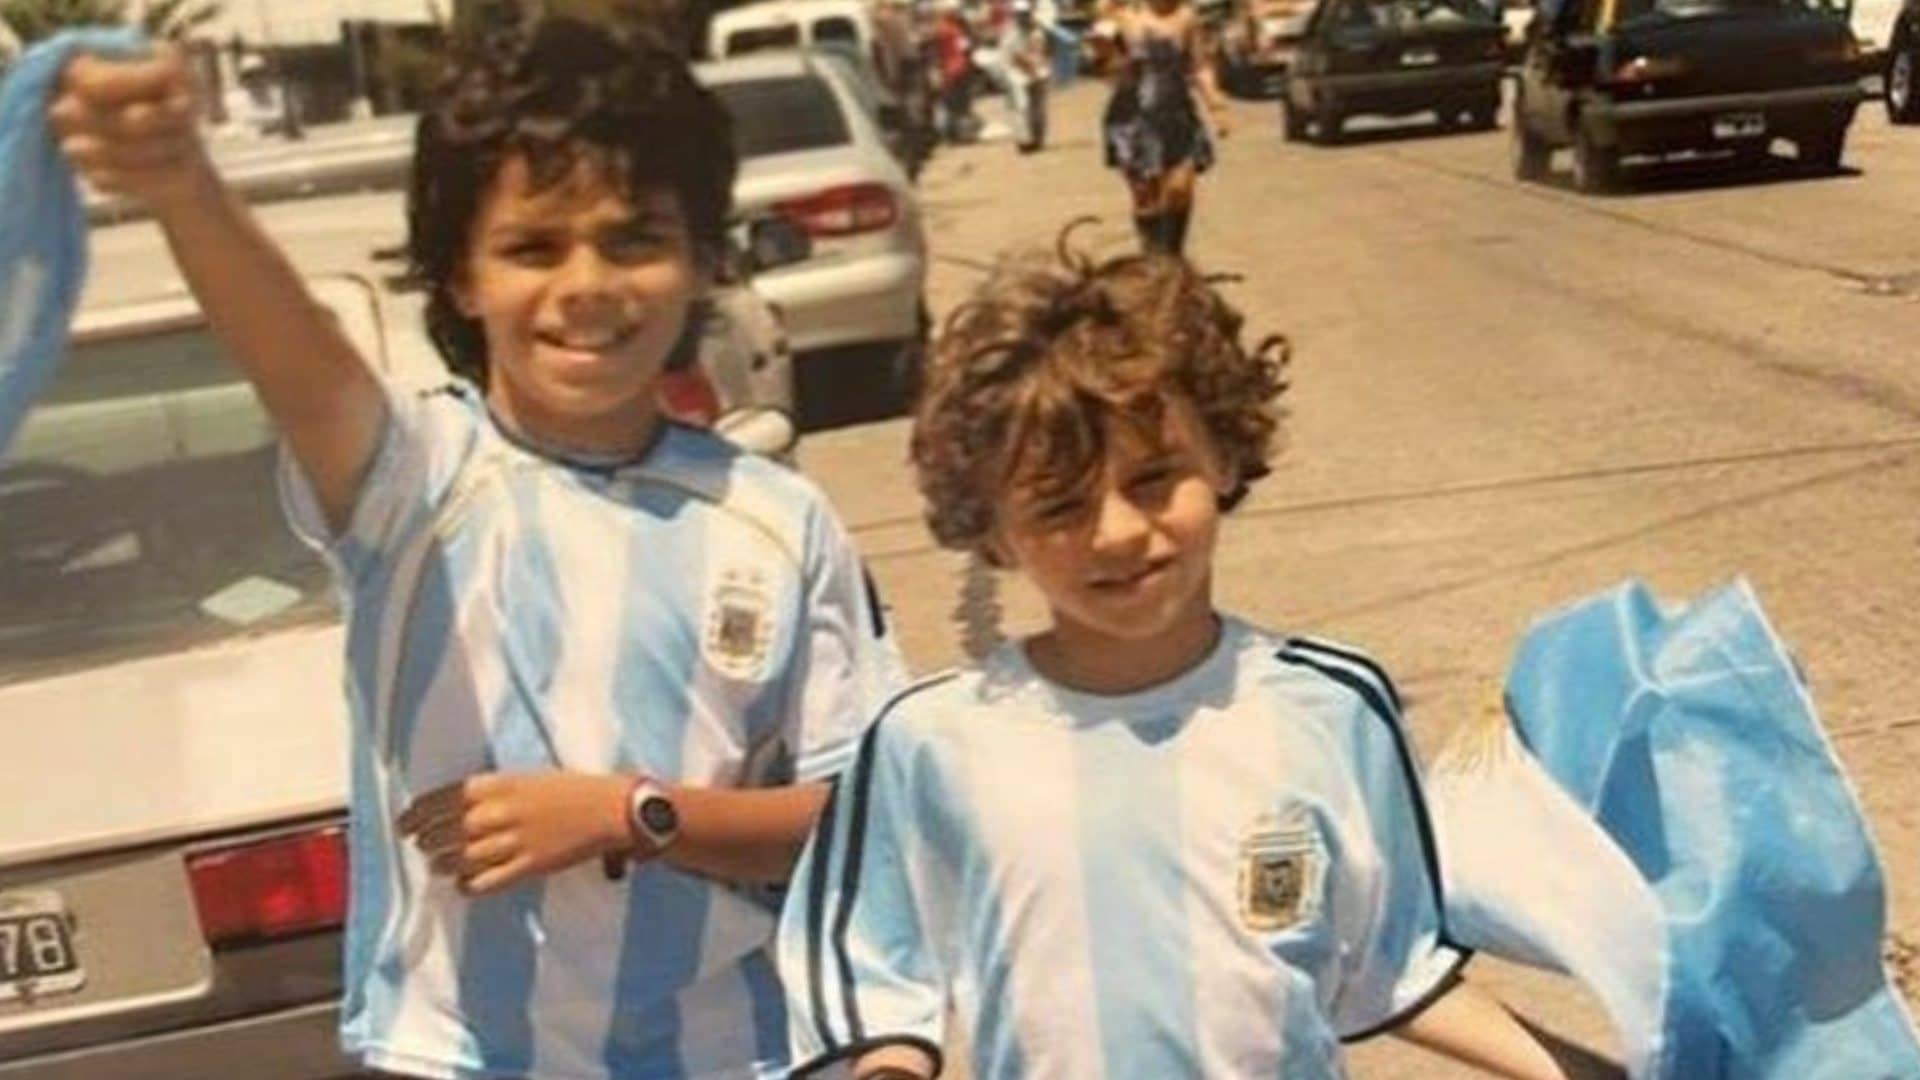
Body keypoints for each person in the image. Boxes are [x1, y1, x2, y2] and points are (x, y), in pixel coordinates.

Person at [51, 17, 906, 1080]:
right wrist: (182, 186)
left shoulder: (781, 520)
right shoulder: (411, 481)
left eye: (634, 237)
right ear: (459, 277)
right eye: (533, 247)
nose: (587, 283)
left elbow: (860, 820)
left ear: (699, 262)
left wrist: (629, 815)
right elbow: (299, 362)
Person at [775, 234, 1620, 1079]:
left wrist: (1580, 1071)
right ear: (991, 530)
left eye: (1152, 480)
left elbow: (1392, 966)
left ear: (1222, 451)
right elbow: (874, 977)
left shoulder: (1331, 707)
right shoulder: (930, 742)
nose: (1117, 533)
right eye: (1060, 505)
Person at [1097, 0, 1230, 256]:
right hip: (1133, 118)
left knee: (1180, 189)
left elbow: (1199, 64)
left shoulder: (1187, 18)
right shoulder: (1121, 17)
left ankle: (1172, 254)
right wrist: (1111, 56)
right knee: (1146, 198)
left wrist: (1215, 103)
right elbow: (1104, 69)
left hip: (1176, 113)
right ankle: (1153, 255)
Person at [999, 0, 1051, 152]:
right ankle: (1025, 140)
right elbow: (1014, 56)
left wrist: (1037, 67)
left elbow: (1044, 50)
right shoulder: (1010, 32)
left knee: (1038, 109)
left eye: (1025, 14)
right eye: (1020, 14)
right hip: (1018, 75)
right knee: (1022, 108)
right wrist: (1030, 68)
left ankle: (1037, 139)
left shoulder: (1037, 30)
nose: (1023, 17)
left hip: (1037, 72)